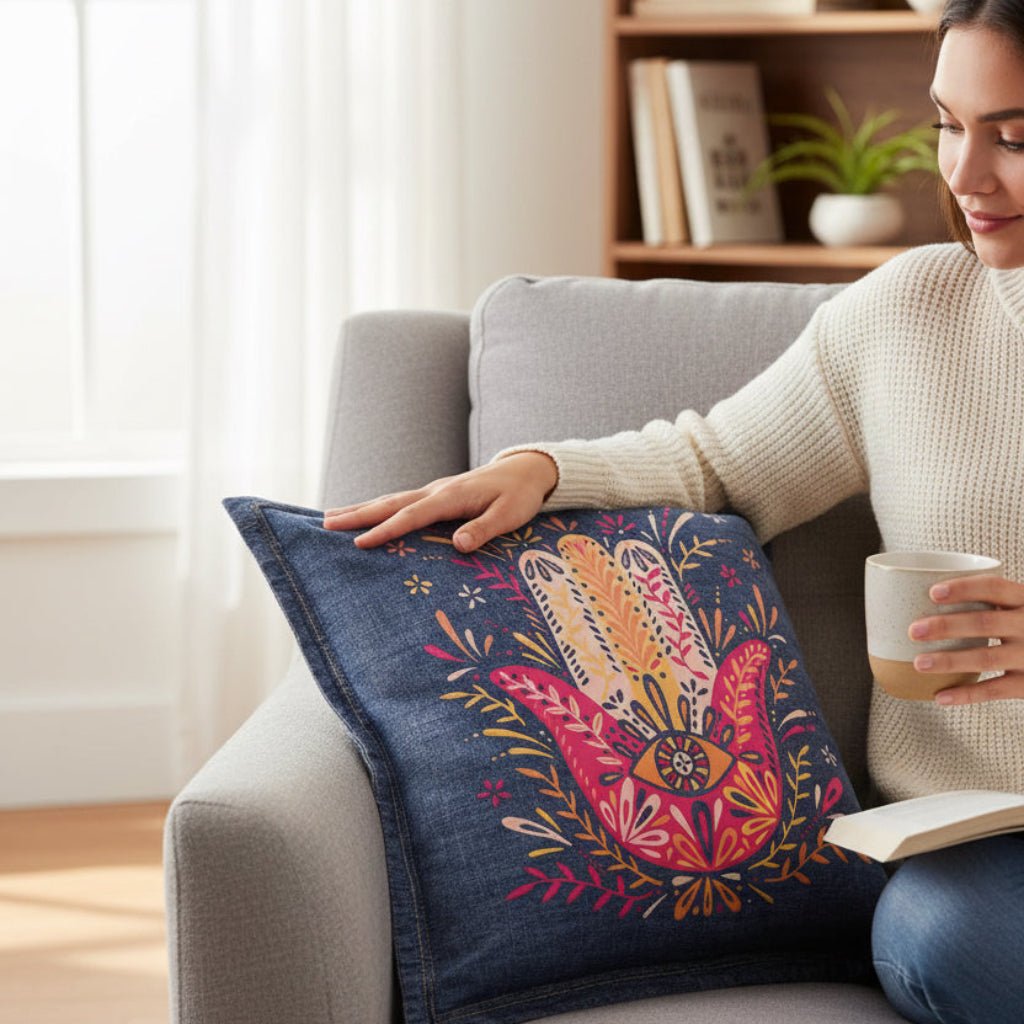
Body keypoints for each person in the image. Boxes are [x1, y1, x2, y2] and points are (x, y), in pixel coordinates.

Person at [325, 3, 1024, 1021]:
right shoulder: (908, 312)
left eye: (1011, 136)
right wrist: (539, 470)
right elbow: (714, 461)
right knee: (940, 939)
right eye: (945, 124)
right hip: (972, 849)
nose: (963, 175)